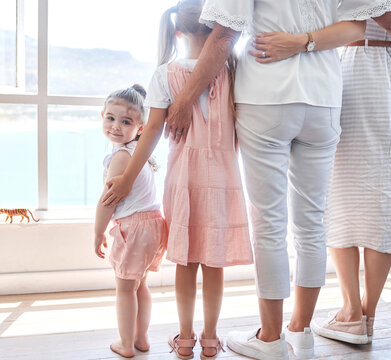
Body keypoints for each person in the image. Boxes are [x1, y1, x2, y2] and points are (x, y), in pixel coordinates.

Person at [148, 0, 391, 359]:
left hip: (266, 97)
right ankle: (301, 334)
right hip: (324, 99)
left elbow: (225, 34)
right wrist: (306, 42)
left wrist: (182, 102)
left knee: (269, 223)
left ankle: (270, 337)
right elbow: (361, 26)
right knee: (312, 224)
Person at [102, 1, 253, 359]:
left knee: (185, 263)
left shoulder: (165, 74)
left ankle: (185, 339)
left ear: (177, 32)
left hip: (183, 179)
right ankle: (212, 340)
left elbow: (152, 131)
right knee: (213, 263)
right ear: (217, 29)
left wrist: (125, 179)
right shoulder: (230, 68)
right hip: (224, 177)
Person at [311, 0, 391, 345]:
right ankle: (367, 314)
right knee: (384, 197)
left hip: (350, 67)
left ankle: (351, 313)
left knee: (340, 191)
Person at [93, 85, 168, 358]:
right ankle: (141, 338)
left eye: (126, 121)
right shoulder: (140, 153)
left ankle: (126, 343)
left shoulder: (121, 157)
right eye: (110, 118)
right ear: (102, 115)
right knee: (140, 285)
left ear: (140, 127)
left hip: (134, 229)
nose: (115, 126)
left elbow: (107, 201)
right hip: (154, 226)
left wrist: (98, 232)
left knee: (125, 289)